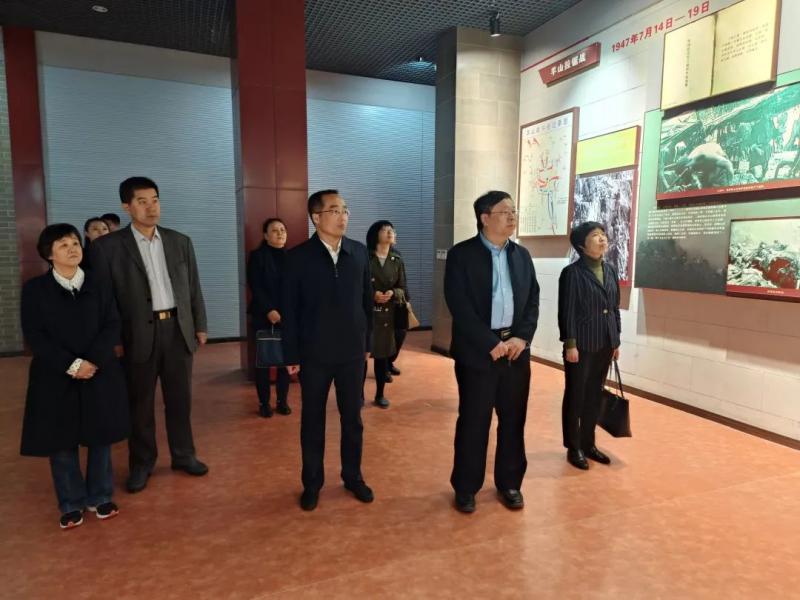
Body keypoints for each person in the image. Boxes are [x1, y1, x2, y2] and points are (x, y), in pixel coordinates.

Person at [91, 177, 209, 493]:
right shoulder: (107, 248)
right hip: (135, 335)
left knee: (180, 399)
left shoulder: (180, 241)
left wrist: (200, 325)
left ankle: (184, 455)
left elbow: (193, 288)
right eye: (142, 201)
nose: (151, 207)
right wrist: (113, 340)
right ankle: (142, 463)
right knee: (140, 404)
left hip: (177, 330)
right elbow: (104, 300)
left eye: (155, 199)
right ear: (126, 207)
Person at [20, 224, 129, 529]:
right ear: (48, 254)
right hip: (55, 373)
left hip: (98, 370)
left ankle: (100, 496)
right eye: (63, 245)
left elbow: (112, 324)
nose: (72, 249)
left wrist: (91, 361)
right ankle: (71, 502)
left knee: (100, 434)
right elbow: (35, 335)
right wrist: (71, 364)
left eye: (75, 243)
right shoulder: (35, 290)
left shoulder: (100, 283)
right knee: (61, 440)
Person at [444, 191, 540, 513]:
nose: (512, 217)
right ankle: (466, 487)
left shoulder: (521, 255)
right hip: (478, 352)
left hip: (515, 351)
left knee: (513, 420)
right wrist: (489, 342)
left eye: (514, 211)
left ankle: (510, 483)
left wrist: (521, 338)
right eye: (504, 212)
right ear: (484, 218)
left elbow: (533, 300)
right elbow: (459, 305)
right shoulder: (462, 255)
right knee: (474, 420)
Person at [282, 189, 374, 511]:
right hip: (314, 354)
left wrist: (367, 344)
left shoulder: (358, 252)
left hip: (351, 354)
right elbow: (289, 311)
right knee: (313, 421)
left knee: (353, 419)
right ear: (316, 217)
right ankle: (312, 483)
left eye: (345, 210)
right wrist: (291, 355)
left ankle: (353, 476)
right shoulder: (297, 258)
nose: (343, 216)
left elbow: (366, 302)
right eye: (335, 210)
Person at [558, 221, 621, 471]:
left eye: (603, 234)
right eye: (595, 235)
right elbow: (567, 312)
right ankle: (573, 447)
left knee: (595, 394)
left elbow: (614, 308)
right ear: (582, 245)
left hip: (605, 342)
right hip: (581, 345)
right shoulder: (572, 273)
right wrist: (570, 344)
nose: (602, 239)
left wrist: (616, 340)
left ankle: (588, 443)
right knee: (576, 395)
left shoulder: (611, 270)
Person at [247, 217, 291, 418]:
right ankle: (264, 402)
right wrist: (269, 310)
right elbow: (256, 286)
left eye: (283, 230)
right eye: (275, 230)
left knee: (285, 360)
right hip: (263, 315)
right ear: (265, 235)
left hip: (287, 316)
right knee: (264, 362)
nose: (280, 233)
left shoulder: (292, 257)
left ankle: (282, 401)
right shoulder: (257, 256)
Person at [365, 220, 408, 408]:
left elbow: (402, 287)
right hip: (367, 313)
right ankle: (358, 395)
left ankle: (380, 394)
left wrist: (392, 292)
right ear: (375, 234)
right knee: (363, 356)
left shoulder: (396, 259)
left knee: (382, 357)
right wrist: (372, 294)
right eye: (385, 230)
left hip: (388, 315)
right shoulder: (365, 258)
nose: (390, 232)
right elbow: (356, 285)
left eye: (392, 229)